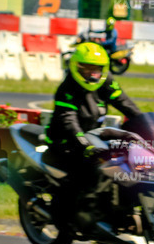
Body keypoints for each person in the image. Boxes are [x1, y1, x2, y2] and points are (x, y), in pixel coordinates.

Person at [46, 41, 142, 225]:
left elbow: (125, 103)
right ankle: (84, 217)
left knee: (126, 161)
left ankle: (120, 211)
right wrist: (84, 144)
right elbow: (69, 121)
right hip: (66, 141)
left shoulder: (105, 82)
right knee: (90, 173)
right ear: (76, 67)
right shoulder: (67, 89)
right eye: (87, 68)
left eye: (97, 68)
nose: (92, 73)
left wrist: (143, 121)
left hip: (94, 137)